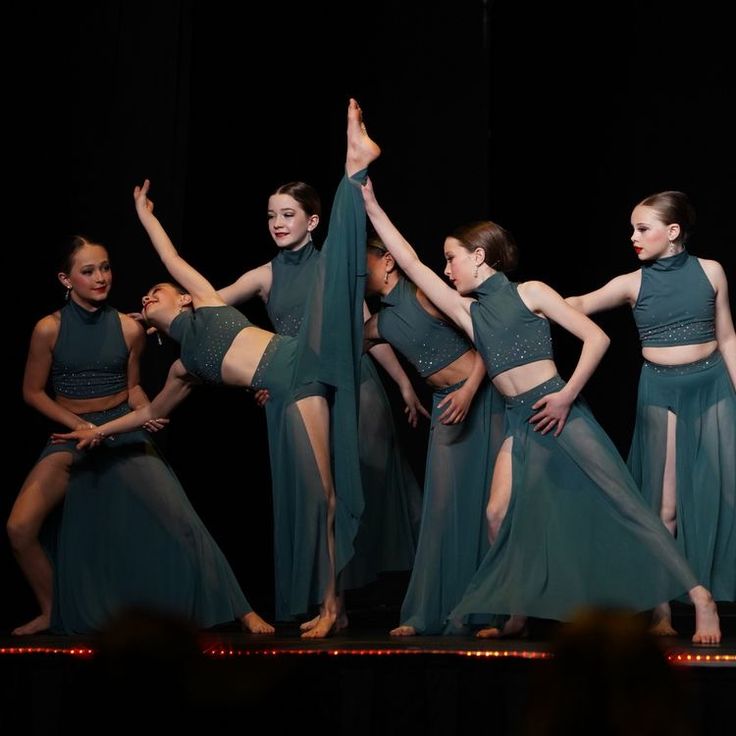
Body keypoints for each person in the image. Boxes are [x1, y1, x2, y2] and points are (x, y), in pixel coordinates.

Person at [55, 98, 382, 639]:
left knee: (336, 275)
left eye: (157, 290)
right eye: (147, 297)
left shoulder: (204, 300)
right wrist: (96, 431)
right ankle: (335, 606)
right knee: (320, 496)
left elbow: (171, 259)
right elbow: (148, 416)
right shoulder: (185, 368)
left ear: (179, 300)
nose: (151, 292)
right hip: (291, 382)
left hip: (299, 358)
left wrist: (145, 218)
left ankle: (354, 170)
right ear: (153, 322)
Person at [359, 177, 721, 644]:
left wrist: (567, 394)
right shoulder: (467, 311)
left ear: (478, 256)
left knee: (631, 509)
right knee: (495, 514)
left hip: (562, 413)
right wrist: (369, 202)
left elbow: (598, 338)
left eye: (451, 258)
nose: (446, 269)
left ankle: (699, 597)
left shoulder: (531, 293)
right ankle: (518, 611)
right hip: (520, 420)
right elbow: (407, 259)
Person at [9, 236, 270, 635]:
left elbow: (131, 388)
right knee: (19, 527)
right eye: (88, 271)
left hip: (120, 432)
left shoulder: (129, 328)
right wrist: (78, 426)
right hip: (71, 435)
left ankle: (242, 611)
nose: (101, 278)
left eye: (106, 267)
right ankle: (50, 610)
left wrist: (143, 410)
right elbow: (32, 392)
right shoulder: (48, 329)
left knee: (181, 520)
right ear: (66, 278)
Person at [216, 182, 425, 631]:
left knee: (357, 489)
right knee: (317, 496)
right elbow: (213, 307)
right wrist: (167, 315)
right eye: (271, 215)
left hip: (353, 383)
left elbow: (368, 329)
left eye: (287, 214)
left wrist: (405, 384)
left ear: (311, 221)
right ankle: (334, 604)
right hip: (300, 389)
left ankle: (350, 603)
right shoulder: (264, 276)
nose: (277, 223)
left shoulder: (333, 266)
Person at [565, 191, 735, 636]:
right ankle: (664, 608)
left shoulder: (711, 271)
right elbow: (579, 305)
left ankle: (706, 593)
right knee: (665, 507)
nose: (633, 237)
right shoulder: (632, 283)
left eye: (643, 229)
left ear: (672, 232)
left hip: (713, 387)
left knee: (724, 494)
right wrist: (528, 300)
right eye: (633, 229)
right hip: (661, 392)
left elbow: (728, 337)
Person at [363, 236, 505, 635]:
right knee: (442, 510)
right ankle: (426, 611)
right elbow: (336, 355)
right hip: (448, 406)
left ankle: (492, 613)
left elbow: (486, 337)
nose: (360, 273)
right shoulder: (378, 322)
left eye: (364, 263)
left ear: (387, 261)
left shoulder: (425, 293)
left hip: (484, 397)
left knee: (489, 508)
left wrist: (469, 390)